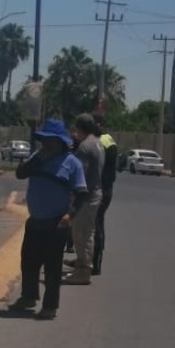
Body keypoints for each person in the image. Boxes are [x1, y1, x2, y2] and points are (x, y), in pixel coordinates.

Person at [9, 119, 87, 320]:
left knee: (52, 268)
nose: (45, 144)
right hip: (35, 220)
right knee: (29, 262)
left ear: (59, 142)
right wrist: (36, 161)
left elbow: (81, 194)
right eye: (43, 140)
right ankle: (28, 297)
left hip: (56, 223)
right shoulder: (37, 157)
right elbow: (20, 174)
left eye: (50, 140)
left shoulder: (72, 163)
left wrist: (70, 215)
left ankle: (50, 306)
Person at [67, 113, 104, 285]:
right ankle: (83, 266)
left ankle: (82, 271)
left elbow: (79, 173)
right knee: (88, 233)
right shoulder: (98, 143)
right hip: (95, 193)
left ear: (79, 128)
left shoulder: (84, 147)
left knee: (81, 235)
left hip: (86, 197)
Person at [93, 116, 119, 276]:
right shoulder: (110, 140)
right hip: (107, 188)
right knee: (99, 223)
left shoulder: (99, 142)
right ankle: (95, 260)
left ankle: (95, 263)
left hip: (100, 188)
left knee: (96, 224)